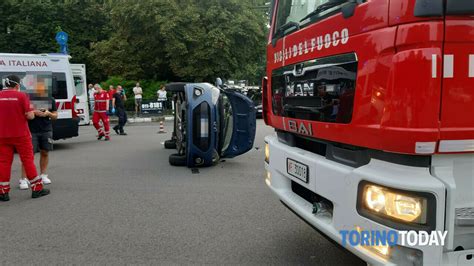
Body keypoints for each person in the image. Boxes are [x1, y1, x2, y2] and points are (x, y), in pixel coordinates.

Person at [0, 75, 50, 201]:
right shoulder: (22, 96)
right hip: (21, 134)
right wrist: (34, 113)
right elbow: (29, 116)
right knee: (27, 160)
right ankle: (37, 188)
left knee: (4, 162)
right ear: (17, 85)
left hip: (2, 135)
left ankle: (3, 191)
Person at [19, 96, 58, 189]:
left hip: (46, 130)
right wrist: (33, 112)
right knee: (28, 155)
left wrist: (48, 113)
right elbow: (20, 114)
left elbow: (55, 116)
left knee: (45, 152)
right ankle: (24, 179)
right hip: (31, 130)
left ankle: (43, 175)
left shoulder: (50, 99)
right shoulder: (27, 99)